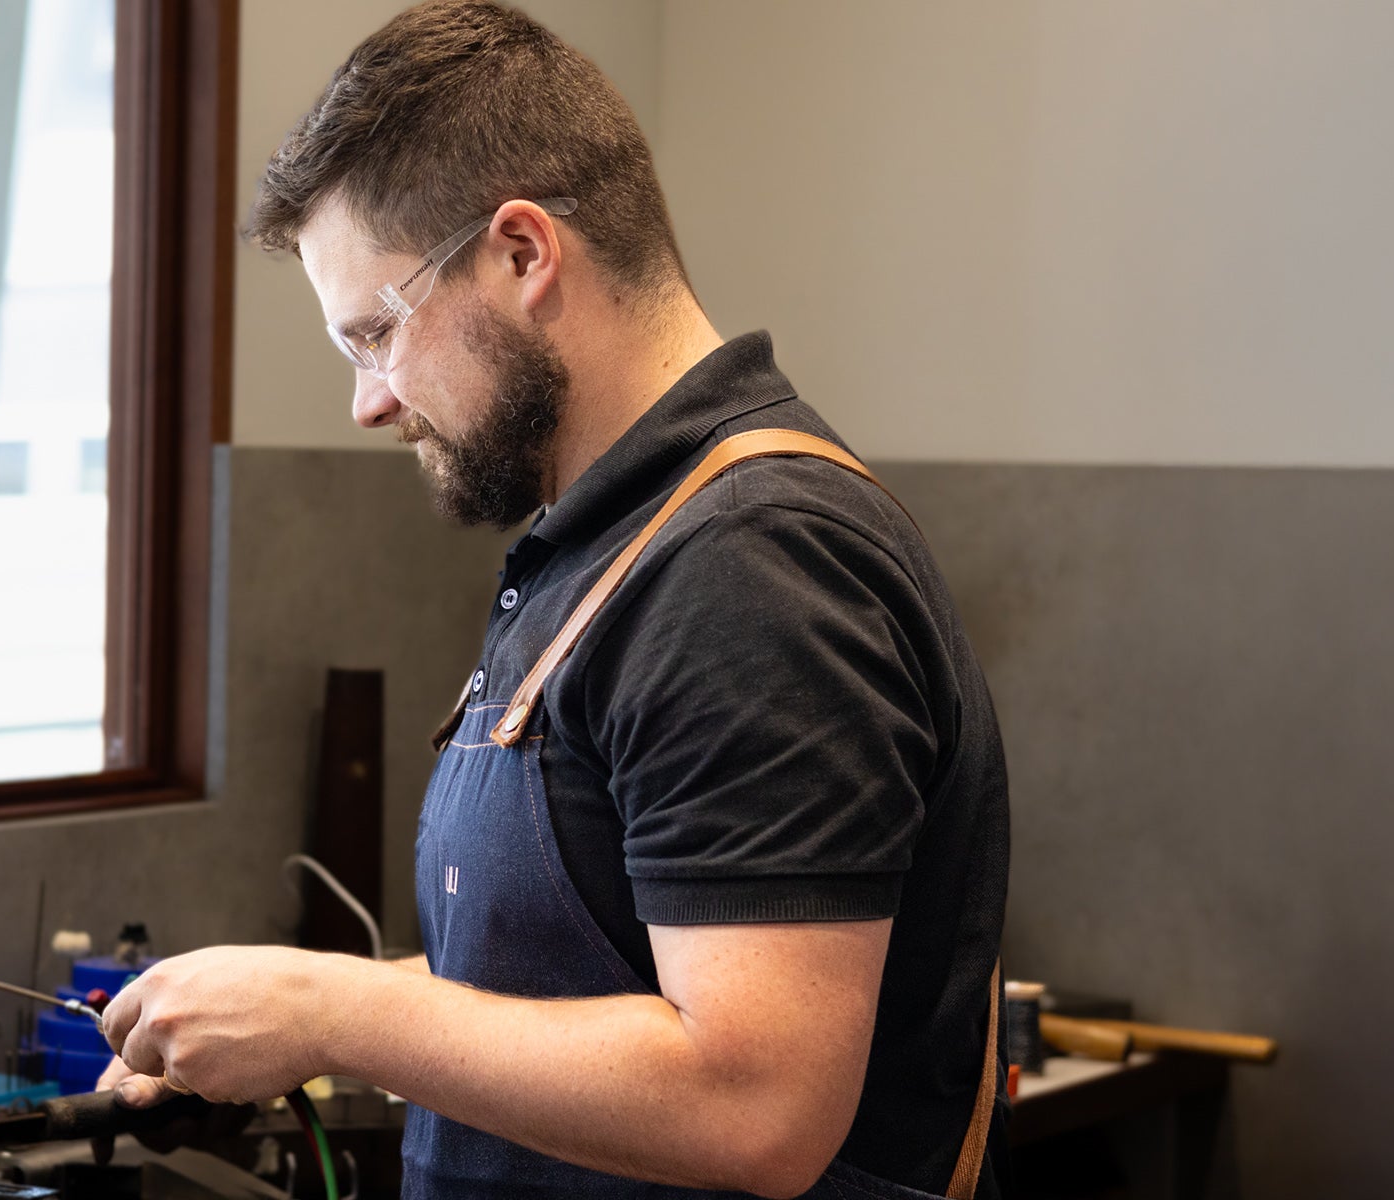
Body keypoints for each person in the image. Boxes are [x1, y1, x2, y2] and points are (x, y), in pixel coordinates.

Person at [96, 3, 1009, 1196]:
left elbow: (755, 1105)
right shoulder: (609, 540)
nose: (367, 403)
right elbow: (581, 983)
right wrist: (267, 1012)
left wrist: (336, 1009)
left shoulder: (750, 563)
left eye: (376, 333)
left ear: (523, 254)